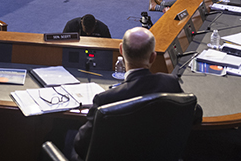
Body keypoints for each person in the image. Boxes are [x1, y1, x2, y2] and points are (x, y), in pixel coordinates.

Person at [71, 27, 201, 161]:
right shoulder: (170, 83)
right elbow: (196, 114)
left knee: (69, 137)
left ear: (121, 50)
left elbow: (81, 145)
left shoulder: (106, 99)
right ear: (153, 57)